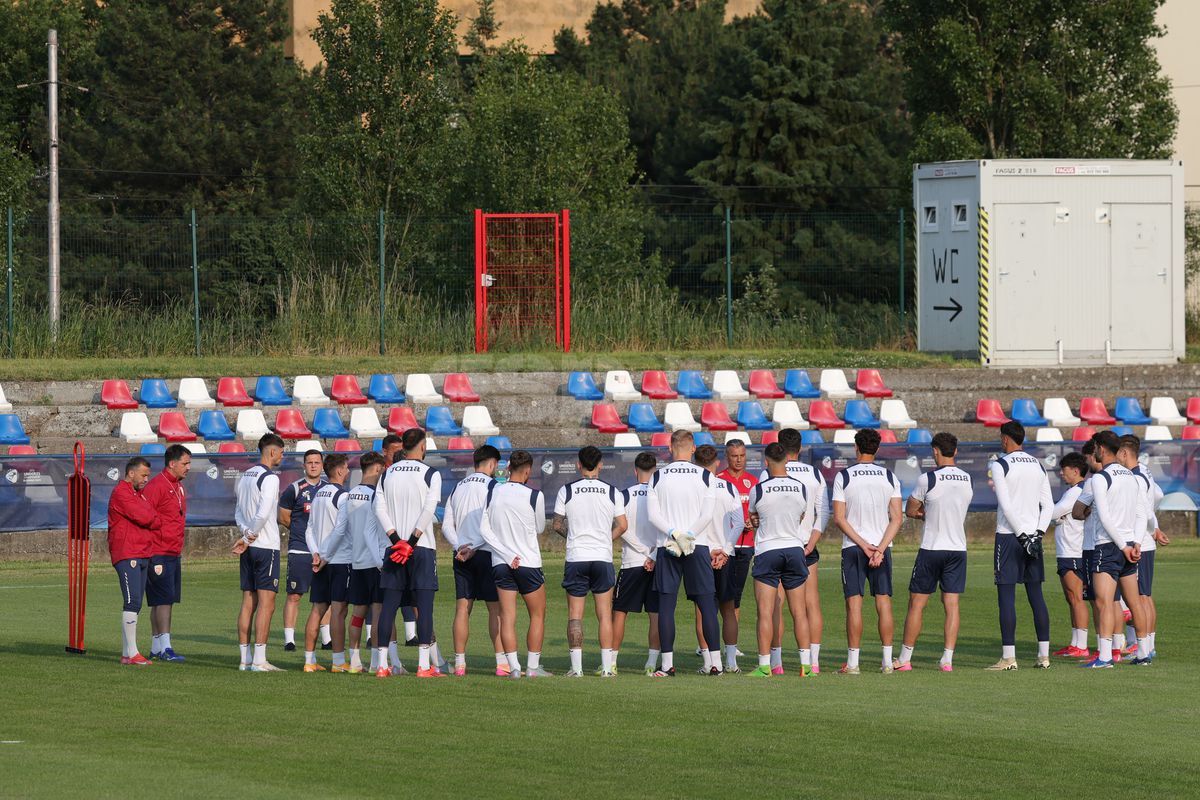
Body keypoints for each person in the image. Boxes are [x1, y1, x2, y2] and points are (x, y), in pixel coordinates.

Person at [896, 432, 973, 672]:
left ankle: (905, 659)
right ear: (956, 451)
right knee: (951, 605)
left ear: (935, 451)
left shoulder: (927, 479)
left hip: (932, 547)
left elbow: (910, 509)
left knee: (917, 604)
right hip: (957, 548)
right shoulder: (967, 478)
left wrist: (922, 514)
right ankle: (947, 660)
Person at [646, 430, 718, 678]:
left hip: (668, 546)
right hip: (698, 545)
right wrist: (688, 535)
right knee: (707, 604)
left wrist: (675, 534)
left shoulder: (657, 477)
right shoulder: (706, 476)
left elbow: (653, 516)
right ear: (693, 448)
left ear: (670, 447)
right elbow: (707, 515)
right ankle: (715, 664)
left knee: (667, 606)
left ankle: (667, 665)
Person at [373, 427, 444, 678]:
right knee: (424, 608)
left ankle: (382, 665)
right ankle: (424, 666)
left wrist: (396, 540)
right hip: (421, 548)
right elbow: (428, 510)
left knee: (389, 607)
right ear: (423, 447)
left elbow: (378, 509)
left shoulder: (387, 473)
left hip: (393, 549)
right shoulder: (431, 474)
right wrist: (411, 542)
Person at [551, 445, 628, 677]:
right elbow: (623, 525)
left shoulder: (567, 490)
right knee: (605, 614)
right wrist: (606, 538)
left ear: (578, 465)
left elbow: (556, 524)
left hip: (577, 556)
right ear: (601, 465)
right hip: (602, 557)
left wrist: (572, 536)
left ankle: (577, 669)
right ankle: (607, 668)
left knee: (575, 614)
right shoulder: (613, 491)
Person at [832, 428, 902, 675]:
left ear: (856, 447)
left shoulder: (845, 477)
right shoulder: (889, 477)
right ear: (878, 448)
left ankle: (853, 664)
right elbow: (897, 518)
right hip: (881, 548)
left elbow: (840, 519)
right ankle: (886, 662)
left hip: (854, 547)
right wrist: (879, 549)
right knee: (883, 603)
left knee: (854, 605)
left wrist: (863, 545)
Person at [759, 427, 829, 673]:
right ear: (800, 449)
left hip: (776, 543)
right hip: (805, 546)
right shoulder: (814, 474)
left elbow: (760, 512)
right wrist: (812, 541)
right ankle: (813, 662)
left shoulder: (767, 475)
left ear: (778, 448)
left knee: (774, 605)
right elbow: (824, 512)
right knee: (810, 605)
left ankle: (775, 663)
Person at [987, 420, 1053, 671]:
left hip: (1009, 535)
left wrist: (1023, 535)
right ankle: (1043, 656)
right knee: (1036, 596)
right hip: (1033, 537)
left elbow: (1006, 504)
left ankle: (1008, 657)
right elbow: (1048, 505)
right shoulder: (1037, 464)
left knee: (1006, 597)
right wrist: (1037, 534)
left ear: (1005, 439)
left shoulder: (1000, 464)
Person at [1081, 431, 1151, 668]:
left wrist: (1121, 546)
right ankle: (1143, 653)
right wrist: (1136, 543)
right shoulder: (1132, 476)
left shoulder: (1101, 478)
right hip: (1130, 544)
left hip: (1109, 545)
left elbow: (1106, 517)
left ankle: (1104, 657)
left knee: (1104, 602)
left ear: (1101, 449)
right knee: (1134, 602)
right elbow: (1143, 514)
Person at [480, 449, 550, 678]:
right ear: (528, 471)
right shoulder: (534, 495)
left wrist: (506, 553)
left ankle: (514, 668)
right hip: (528, 561)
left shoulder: (493, 492)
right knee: (537, 614)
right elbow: (540, 527)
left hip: (501, 563)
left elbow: (484, 530)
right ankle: (532, 667)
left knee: (507, 616)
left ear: (508, 468)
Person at [746, 443, 811, 678]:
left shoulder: (759, 489)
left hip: (768, 549)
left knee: (765, 611)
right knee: (799, 611)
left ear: (766, 463)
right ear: (787, 460)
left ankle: (765, 666)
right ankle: (806, 666)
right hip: (794, 548)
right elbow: (802, 514)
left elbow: (754, 517)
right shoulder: (800, 487)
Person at [442, 444, 507, 676]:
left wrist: (460, 545)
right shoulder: (495, 487)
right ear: (492, 463)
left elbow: (446, 525)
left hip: (460, 554)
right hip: (486, 552)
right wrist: (475, 546)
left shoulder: (457, 487)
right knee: (495, 610)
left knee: (462, 608)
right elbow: (492, 525)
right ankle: (501, 663)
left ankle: (460, 663)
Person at [324, 451, 389, 674]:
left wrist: (324, 555)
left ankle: (354, 661)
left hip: (356, 562)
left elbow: (340, 529)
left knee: (358, 614)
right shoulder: (376, 496)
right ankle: (376, 663)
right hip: (375, 560)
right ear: (379, 469)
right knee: (379, 612)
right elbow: (378, 531)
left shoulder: (349, 495)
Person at [234, 433, 285, 671]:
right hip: (265, 546)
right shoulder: (270, 478)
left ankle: (244, 659)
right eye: (281, 452)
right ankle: (260, 660)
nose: (282, 456)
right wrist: (249, 536)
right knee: (267, 603)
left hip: (250, 547)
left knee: (248, 602)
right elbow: (264, 514)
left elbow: (237, 512)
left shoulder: (245, 476)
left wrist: (245, 535)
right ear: (272, 452)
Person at [106, 456, 161, 666]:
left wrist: (152, 517)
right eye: (144, 474)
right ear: (131, 473)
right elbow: (147, 517)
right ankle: (133, 652)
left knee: (135, 604)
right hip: (127, 553)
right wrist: (152, 518)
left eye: (148, 475)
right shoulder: (121, 493)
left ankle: (127, 653)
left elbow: (150, 516)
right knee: (133, 601)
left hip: (141, 552)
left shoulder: (138, 494)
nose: (147, 479)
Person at [692, 444, 742, 673]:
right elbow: (739, 523)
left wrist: (712, 549)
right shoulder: (729, 488)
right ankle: (731, 662)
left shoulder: (693, 487)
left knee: (703, 609)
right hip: (725, 554)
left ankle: (708, 662)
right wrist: (725, 549)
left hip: (700, 553)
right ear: (717, 463)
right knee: (728, 609)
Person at [612, 452, 662, 676]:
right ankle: (651, 663)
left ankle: (611, 662)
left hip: (632, 561)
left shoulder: (623, 496)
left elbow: (622, 529)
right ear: (655, 470)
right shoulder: (660, 495)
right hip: (657, 560)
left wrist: (642, 551)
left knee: (620, 612)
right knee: (656, 614)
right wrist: (652, 553)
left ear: (635, 471)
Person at [1118, 434, 1167, 660]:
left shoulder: (1134, 478)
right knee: (1145, 595)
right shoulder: (1145, 471)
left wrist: (1151, 527)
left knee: (1140, 597)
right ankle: (1149, 644)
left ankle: (1143, 646)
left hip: (1140, 542)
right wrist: (1154, 527)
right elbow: (1158, 495)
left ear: (1125, 453)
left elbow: (1145, 509)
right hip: (1147, 539)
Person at [141, 444, 191, 662]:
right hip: (158, 550)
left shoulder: (178, 486)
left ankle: (156, 646)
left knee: (161, 600)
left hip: (172, 549)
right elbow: (144, 515)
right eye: (185, 463)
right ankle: (166, 647)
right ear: (172, 464)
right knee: (163, 600)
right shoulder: (156, 486)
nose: (188, 467)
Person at [302, 454, 351, 672]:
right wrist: (326, 556)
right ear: (339, 471)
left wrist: (316, 553)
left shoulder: (317, 494)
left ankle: (309, 661)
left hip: (320, 558)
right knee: (339, 611)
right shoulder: (343, 496)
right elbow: (340, 530)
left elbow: (309, 529)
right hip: (338, 560)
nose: (348, 472)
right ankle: (339, 662)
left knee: (317, 610)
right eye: (347, 468)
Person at [277, 449, 327, 652]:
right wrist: (302, 533)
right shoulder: (294, 489)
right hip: (300, 549)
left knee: (325, 597)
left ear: (322, 465)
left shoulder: (329, 489)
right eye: (310, 462)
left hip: (324, 552)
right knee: (294, 595)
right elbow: (283, 517)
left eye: (317, 462)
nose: (313, 465)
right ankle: (289, 640)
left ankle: (327, 639)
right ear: (304, 465)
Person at [716, 439, 757, 667]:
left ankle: (731, 645)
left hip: (745, 545)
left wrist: (752, 522)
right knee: (714, 596)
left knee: (736, 596)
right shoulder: (719, 481)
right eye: (734, 456)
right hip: (724, 547)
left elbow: (759, 511)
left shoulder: (753, 482)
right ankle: (708, 641)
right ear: (726, 456)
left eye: (742, 455)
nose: (739, 460)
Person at [1050, 452, 1091, 658]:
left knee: (1076, 598)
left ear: (1075, 471)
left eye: (1064, 470)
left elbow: (1054, 512)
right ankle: (1075, 642)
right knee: (1071, 598)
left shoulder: (1076, 492)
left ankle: (1081, 646)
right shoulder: (1075, 491)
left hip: (1073, 550)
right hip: (1068, 550)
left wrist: (1056, 517)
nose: (1061, 473)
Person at [379, 433, 418, 647]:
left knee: (410, 593)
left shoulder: (404, 475)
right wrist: (399, 540)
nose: (399, 453)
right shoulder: (383, 476)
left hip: (403, 542)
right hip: (395, 543)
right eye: (395, 450)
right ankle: (424, 660)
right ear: (385, 451)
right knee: (387, 600)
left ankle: (411, 636)